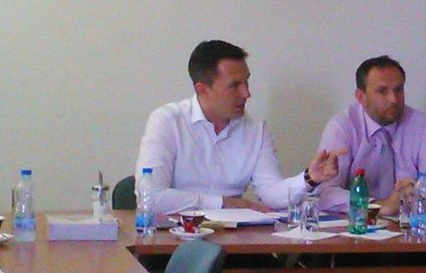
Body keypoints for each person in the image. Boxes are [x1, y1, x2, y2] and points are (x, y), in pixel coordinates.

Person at [135, 40, 343, 214]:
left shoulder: (256, 129)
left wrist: (310, 178)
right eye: (234, 86)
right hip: (176, 236)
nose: (246, 93)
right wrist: (224, 203)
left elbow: (270, 193)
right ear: (202, 89)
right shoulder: (167, 121)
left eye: (246, 82)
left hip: (236, 236)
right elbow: (150, 196)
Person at [315, 55, 426, 215]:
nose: (394, 99)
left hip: (409, 222)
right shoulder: (343, 126)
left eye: (398, 90)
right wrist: (378, 206)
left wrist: (415, 199)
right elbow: (326, 193)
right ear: (361, 97)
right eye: (382, 91)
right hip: (357, 223)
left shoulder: (423, 126)